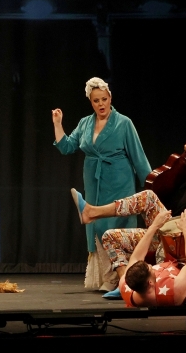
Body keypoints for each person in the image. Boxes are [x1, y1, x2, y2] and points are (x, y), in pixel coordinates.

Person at [82, 141, 186, 300]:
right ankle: (125, 284)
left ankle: (93, 212)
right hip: (166, 230)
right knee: (110, 236)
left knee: (148, 197)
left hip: (185, 236)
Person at [52, 77, 151, 292]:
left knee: (117, 224)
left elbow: (139, 158)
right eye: (96, 100)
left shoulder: (124, 123)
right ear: (91, 102)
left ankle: (119, 278)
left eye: (104, 99)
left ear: (110, 98)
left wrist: (152, 185)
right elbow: (67, 147)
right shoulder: (85, 123)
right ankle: (107, 275)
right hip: (94, 182)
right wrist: (58, 124)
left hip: (119, 181)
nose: (101, 104)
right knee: (96, 224)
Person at [73, 189, 186, 306]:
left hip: (160, 244)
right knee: (149, 197)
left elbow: (137, 257)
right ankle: (90, 212)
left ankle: (91, 212)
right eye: (150, 267)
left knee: (109, 236)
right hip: (176, 245)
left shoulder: (125, 283)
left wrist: (154, 226)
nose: (151, 266)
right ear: (150, 283)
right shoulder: (174, 290)